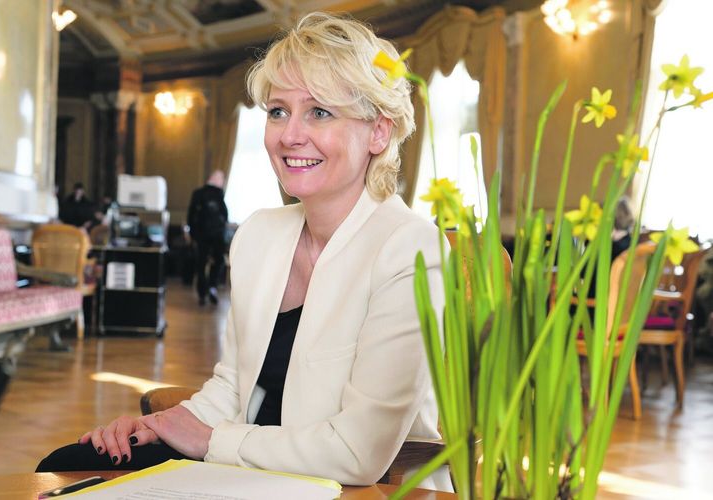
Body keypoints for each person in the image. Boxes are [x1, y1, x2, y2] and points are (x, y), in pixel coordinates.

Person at [37, 12, 450, 490]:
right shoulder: (259, 234)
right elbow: (235, 386)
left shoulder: (411, 248)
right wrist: (160, 426)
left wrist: (212, 440)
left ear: (379, 131)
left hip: (368, 488)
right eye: (278, 111)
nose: (289, 135)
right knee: (68, 463)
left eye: (319, 112)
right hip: (253, 470)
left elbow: (359, 454)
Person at [187, 170, 229, 305]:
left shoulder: (199, 193)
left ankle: (203, 292)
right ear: (214, 178)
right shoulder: (217, 194)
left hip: (202, 235)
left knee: (201, 263)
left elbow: (191, 215)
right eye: (221, 179)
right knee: (218, 261)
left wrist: (193, 234)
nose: (222, 182)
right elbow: (224, 215)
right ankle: (211, 287)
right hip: (214, 235)